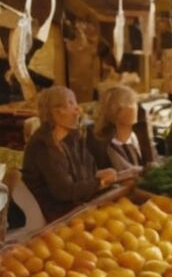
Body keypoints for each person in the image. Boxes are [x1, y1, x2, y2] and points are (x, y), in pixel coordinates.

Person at [22, 86, 118, 221]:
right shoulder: (42, 145)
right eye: (71, 103)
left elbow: (88, 171)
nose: (78, 110)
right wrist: (99, 183)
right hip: (53, 215)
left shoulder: (73, 138)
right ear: (56, 112)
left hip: (75, 205)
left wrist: (99, 174)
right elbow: (64, 191)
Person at [88, 84, 144, 171]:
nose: (135, 107)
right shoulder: (106, 144)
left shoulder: (135, 136)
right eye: (131, 103)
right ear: (116, 110)